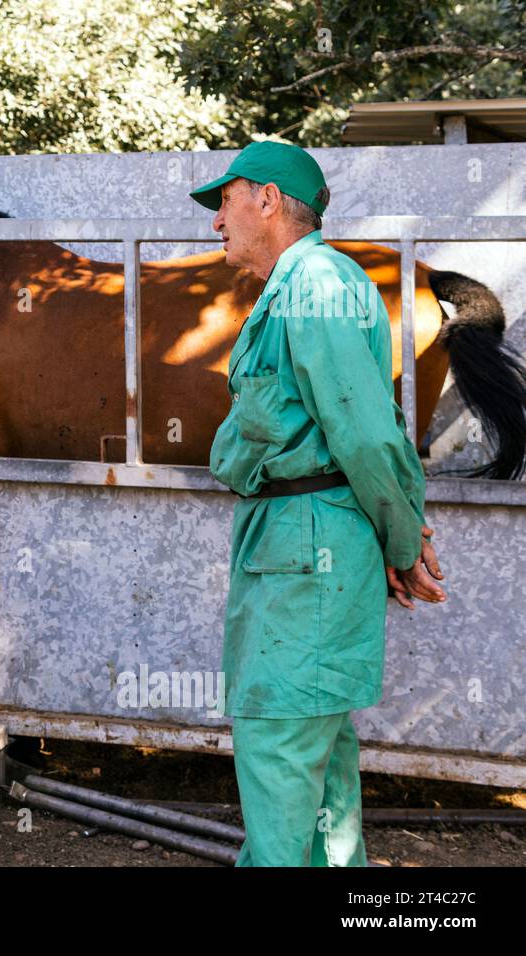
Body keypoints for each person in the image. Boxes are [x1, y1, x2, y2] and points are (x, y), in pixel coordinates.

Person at [191, 140, 446, 866]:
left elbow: (366, 434)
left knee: (278, 760)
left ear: (267, 200)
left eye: (227, 200)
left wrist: (403, 544)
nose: (217, 221)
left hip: (306, 560)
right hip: (297, 552)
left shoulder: (316, 287)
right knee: (320, 776)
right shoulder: (299, 288)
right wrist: (399, 538)